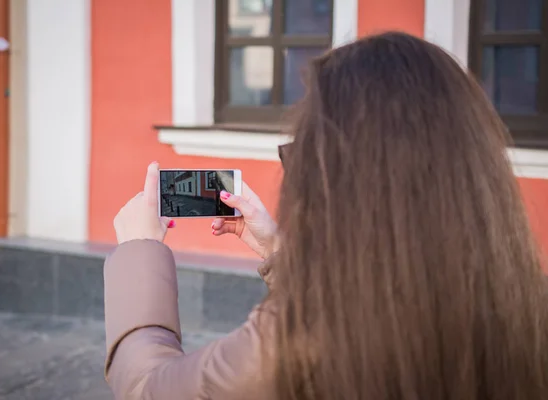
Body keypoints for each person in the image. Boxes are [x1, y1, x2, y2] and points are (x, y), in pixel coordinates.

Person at [103, 32, 548, 399]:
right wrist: (277, 250)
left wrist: (139, 252)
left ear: (341, 177)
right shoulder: (518, 303)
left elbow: (148, 390)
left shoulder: (296, 340)